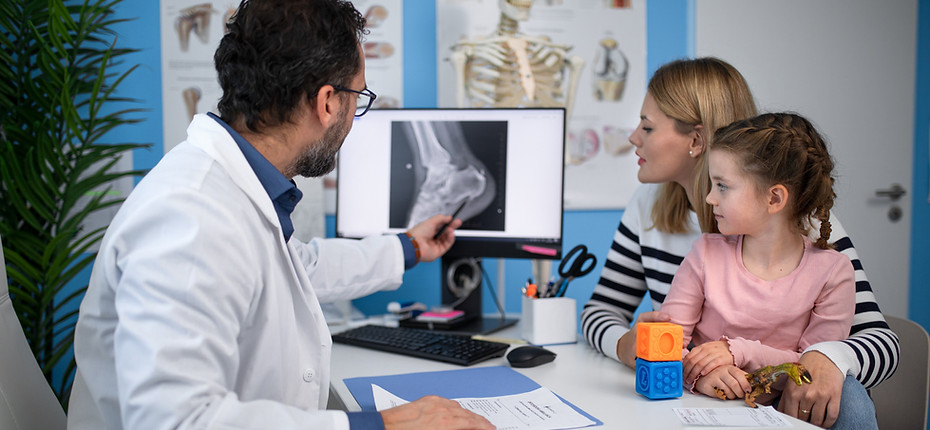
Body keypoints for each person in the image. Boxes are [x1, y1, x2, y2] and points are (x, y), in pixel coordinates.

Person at [67, 1, 493, 429]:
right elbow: (177, 421)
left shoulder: (233, 189)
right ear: (327, 102)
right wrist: (384, 425)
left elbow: (295, 269)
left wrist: (409, 247)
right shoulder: (191, 219)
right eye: (358, 96)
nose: (353, 116)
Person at [580, 57, 897, 429]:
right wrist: (628, 346)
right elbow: (601, 310)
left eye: (647, 127)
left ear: (696, 140)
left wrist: (828, 357)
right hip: (704, 402)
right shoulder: (649, 208)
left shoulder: (805, 224)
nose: (634, 137)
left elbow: (882, 343)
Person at [660, 112, 855, 401]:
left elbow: (814, 369)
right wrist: (701, 376)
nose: (710, 198)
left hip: (783, 413)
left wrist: (738, 351)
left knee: (853, 397)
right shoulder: (705, 254)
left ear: (774, 199)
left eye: (722, 186)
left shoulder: (833, 272)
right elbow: (666, 343)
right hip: (705, 408)